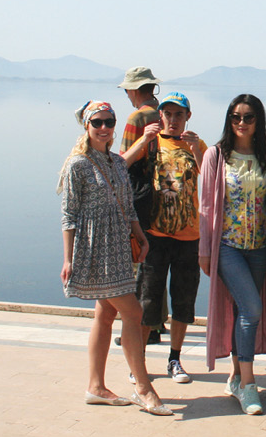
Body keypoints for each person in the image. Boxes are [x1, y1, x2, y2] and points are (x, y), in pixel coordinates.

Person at [57, 100, 170, 416]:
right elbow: (68, 215)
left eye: (109, 122)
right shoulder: (77, 165)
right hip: (96, 249)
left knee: (106, 314)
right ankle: (144, 388)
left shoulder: (118, 163)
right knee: (133, 312)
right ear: (87, 126)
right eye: (98, 123)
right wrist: (68, 259)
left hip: (119, 246)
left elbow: (129, 206)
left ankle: (96, 387)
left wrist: (140, 236)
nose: (104, 128)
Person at [198, 94, 266, 415]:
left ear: (258, 121)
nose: (242, 123)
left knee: (242, 312)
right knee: (251, 308)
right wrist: (204, 251)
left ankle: (236, 376)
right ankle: (249, 385)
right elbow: (206, 206)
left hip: (260, 247)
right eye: (236, 117)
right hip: (228, 247)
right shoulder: (216, 155)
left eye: (249, 117)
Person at [124, 91, 207, 383]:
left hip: (189, 237)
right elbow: (120, 165)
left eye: (179, 114)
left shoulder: (197, 145)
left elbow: (212, 179)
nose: (173, 120)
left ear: (188, 117)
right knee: (147, 300)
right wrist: (143, 140)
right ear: (160, 116)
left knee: (183, 301)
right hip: (154, 236)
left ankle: (175, 359)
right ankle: (139, 362)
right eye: (168, 114)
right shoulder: (151, 143)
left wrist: (196, 149)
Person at [117, 66, 165, 343]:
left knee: (138, 259)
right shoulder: (163, 112)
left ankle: (140, 327)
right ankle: (158, 322)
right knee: (156, 258)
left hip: (139, 193)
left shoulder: (137, 117)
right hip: (162, 193)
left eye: (127, 90)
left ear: (134, 90)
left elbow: (124, 160)